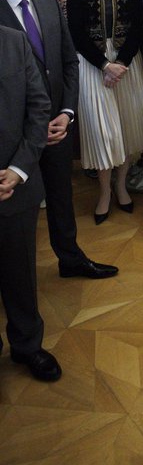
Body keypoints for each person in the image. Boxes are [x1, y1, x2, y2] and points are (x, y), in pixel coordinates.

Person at [0, 0, 118, 282]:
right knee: (16, 210)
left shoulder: (47, 3)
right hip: (15, 134)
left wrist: (66, 113)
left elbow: (69, 62)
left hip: (57, 124)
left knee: (61, 196)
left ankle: (70, 258)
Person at [66, 0, 143, 223]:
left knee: (127, 128)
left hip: (127, 65)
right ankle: (104, 190)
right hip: (94, 67)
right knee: (103, 132)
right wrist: (105, 65)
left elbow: (137, 29)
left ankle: (121, 184)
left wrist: (121, 63)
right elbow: (76, 34)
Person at [0, 23, 59, 381]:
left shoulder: (13, 41)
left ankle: (27, 345)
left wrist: (19, 169)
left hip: (15, 184)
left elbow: (39, 107)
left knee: (20, 272)